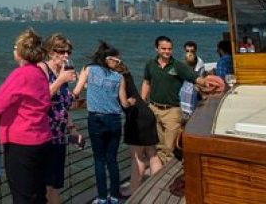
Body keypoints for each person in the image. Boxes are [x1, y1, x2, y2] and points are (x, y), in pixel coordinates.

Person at [0, 28, 52, 204]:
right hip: (42, 140)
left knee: (22, 195)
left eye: (15, 47)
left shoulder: (20, 74)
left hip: (21, 143)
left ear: (22, 51)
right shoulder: (40, 74)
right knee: (38, 193)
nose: (13, 50)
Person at [73, 41, 134, 204]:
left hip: (96, 119)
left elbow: (76, 91)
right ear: (108, 59)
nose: (119, 63)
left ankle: (101, 198)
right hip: (114, 120)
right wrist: (131, 101)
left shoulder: (88, 69)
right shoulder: (119, 77)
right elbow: (123, 103)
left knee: (99, 160)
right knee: (112, 160)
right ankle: (114, 197)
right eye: (117, 60)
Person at [140, 36, 207, 168]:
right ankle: (158, 175)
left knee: (168, 149)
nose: (167, 51)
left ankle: (158, 179)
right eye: (163, 48)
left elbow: (195, 78)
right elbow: (146, 82)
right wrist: (142, 102)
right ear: (157, 49)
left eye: (169, 49)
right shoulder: (150, 64)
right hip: (153, 109)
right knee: (158, 146)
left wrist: (208, 82)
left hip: (172, 111)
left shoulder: (178, 66)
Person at [37, 33, 79, 204]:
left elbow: (63, 105)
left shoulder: (64, 72)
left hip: (59, 137)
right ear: (50, 51)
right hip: (44, 136)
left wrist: (72, 129)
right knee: (44, 185)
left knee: (54, 185)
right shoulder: (41, 69)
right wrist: (61, 80)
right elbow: (40, 98)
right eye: (62, 52)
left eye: (68, 52)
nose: (66, 56)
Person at [116, 60, 160, 197]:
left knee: (137, 157)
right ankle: (156, 187)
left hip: (136, 117)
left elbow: (122, 101)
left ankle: (133, 190)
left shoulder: (117, 78)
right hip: (147, 114)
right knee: (152, 154)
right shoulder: (126, 74)